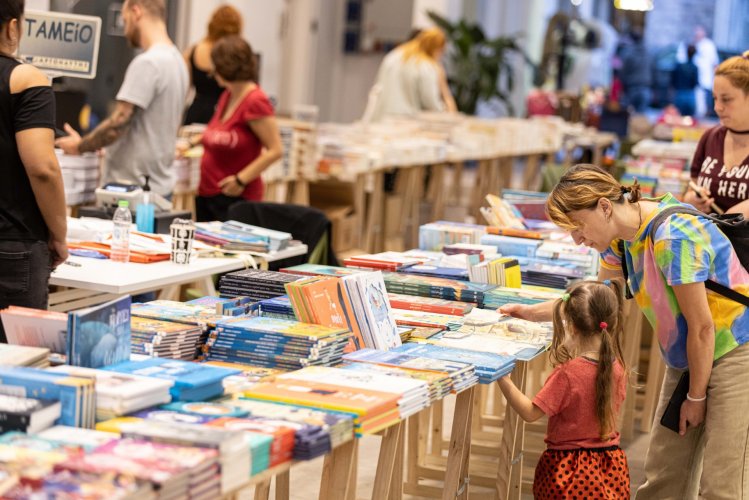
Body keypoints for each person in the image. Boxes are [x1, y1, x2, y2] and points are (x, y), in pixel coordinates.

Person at [503, 164, 749, 498]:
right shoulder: (617, 241)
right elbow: (594, 297)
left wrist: (697, 395)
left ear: (604, 207)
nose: (577, 239)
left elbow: (703, 327)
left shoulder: (672, 237)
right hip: (689, 354)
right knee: (665, 471)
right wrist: (533, 313)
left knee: (723, 482)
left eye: (578, 226)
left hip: (736, 350)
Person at [498, 280, 630, 499]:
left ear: (571, 326)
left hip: (567, 470)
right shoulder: (618, 368)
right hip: (611, 466)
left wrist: (503, 378)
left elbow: (530, 413)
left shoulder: (569, 374)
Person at [56, 0, 188, 198]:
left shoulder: (149, 63)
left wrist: (80, 145)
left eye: (125, 21)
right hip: (159, 188)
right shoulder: (177, 60)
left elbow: (118, 123)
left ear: (136, 12)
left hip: (131, 193)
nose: (125, 31)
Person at [0, 0, 68, 342]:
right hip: (12, 245)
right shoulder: (24, 78)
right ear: (12, 27)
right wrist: (60, 233)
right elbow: (43, 168)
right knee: (18, 369)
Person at [180, 36, 282, 222]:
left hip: (235, 199)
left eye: (215, 67)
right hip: (209, 194)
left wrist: (241, 180)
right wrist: (193, 141)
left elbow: (275, 150)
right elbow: (218, 132)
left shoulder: (256, 101)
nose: (212, 72)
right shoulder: (227, 95)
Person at [684, 51, 749, 216]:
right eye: (715, 98)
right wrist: (691, 200)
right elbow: (691, 188)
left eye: (726, 99)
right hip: (705, 239)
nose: (717, 107)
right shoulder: (710, 137)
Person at [367, 27, 456, 122]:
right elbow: (431, 103)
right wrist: (445, 105)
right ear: (436, 48)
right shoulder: (426, 65)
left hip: (381, 120)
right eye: (441, 52)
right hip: (407, 124)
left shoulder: (393, 56)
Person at [182, 5, 242, 125]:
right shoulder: (236, 54)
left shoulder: (192, 51)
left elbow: (183, 90)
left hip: (196, 113)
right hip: (224, 114)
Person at [678, 25, 719, 117]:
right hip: (691, 81)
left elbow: (714, 63)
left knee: (703, 102)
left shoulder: (709, 46)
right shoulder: (690, 44)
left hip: (705, 79)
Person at [618, 30, 651, 113]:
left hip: (631, 88)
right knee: (640, 120)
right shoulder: (648, 52)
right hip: (645, 88)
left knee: (627, 117)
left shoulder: (628, 53)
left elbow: (622, 71)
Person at [670, 44, 699, 116]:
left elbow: (673, 80)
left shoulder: (678, 66)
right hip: (690, 96)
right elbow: (695, 83)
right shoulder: (695, 68)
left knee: (677, 119)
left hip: (679, 94)